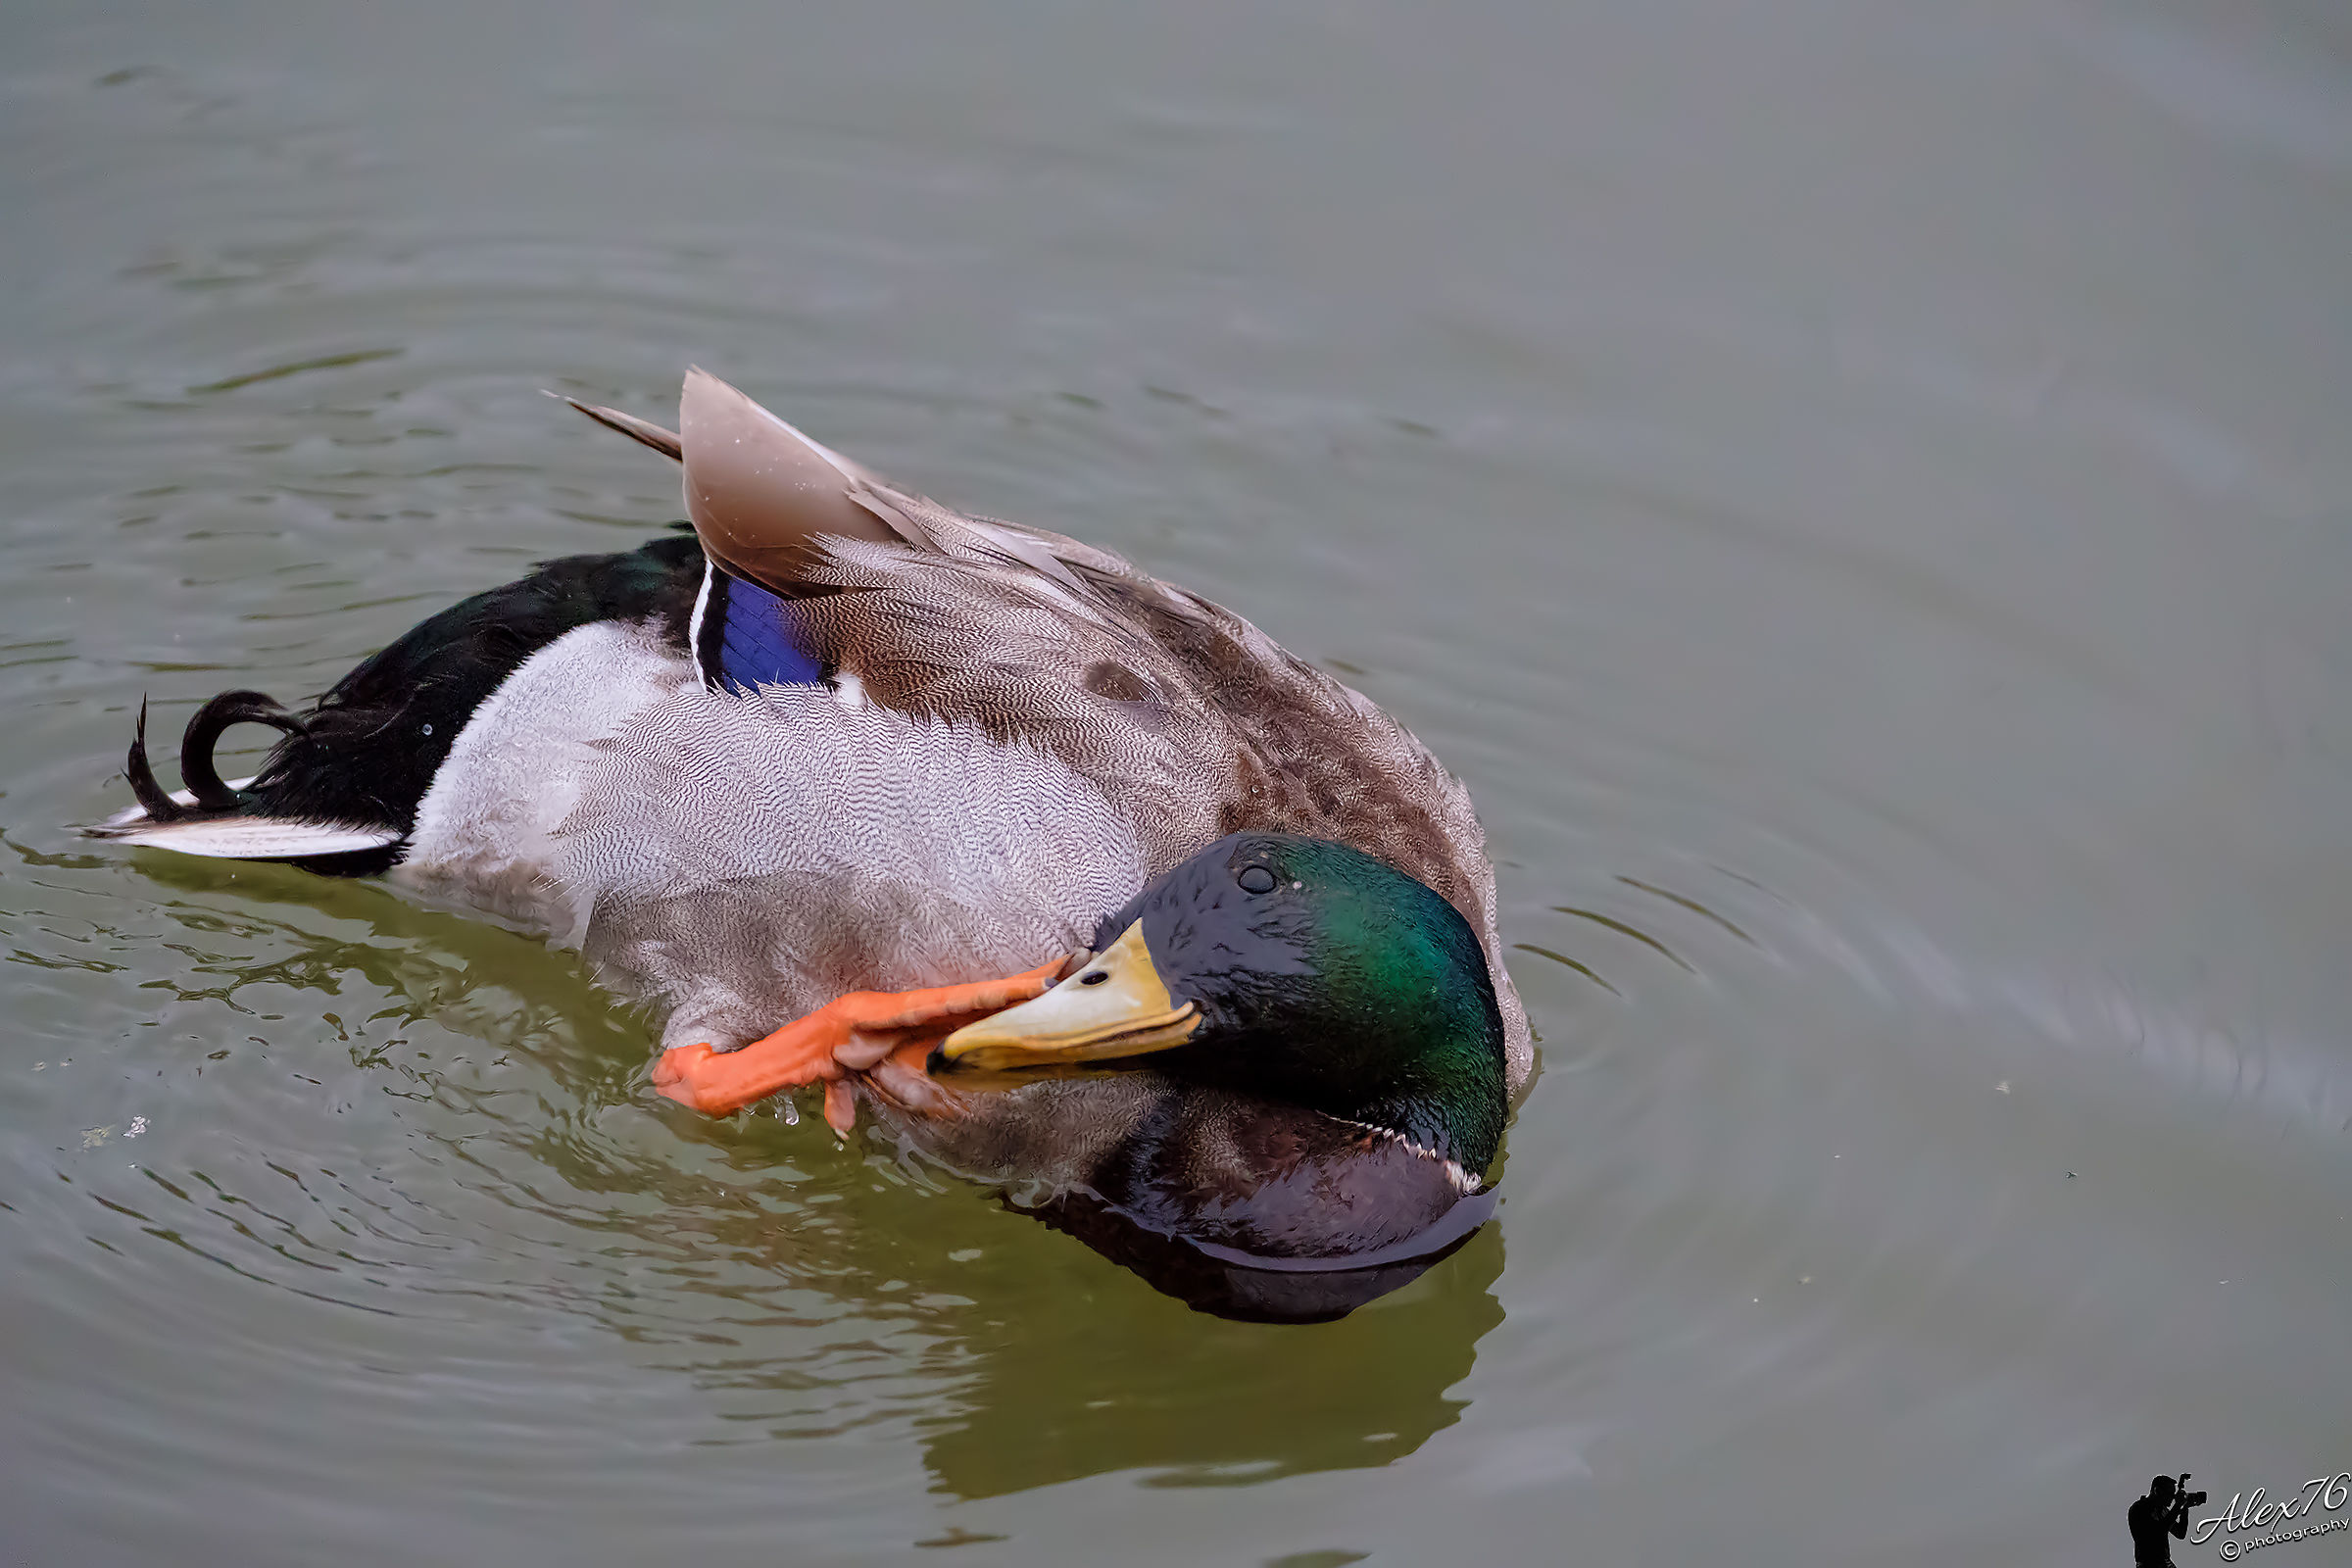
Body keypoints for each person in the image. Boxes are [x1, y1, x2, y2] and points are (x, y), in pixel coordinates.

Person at [2128, 1475, 2189, 1566]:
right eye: (2170, 1494)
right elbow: (2158, 1532)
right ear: (2157, 1491)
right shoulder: (2139, 1508)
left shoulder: (2162, 1510)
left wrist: (2185, 1509)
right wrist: (2177, 1506)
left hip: (2164, 1562)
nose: (2173, 1498)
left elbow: (2180, 1533)